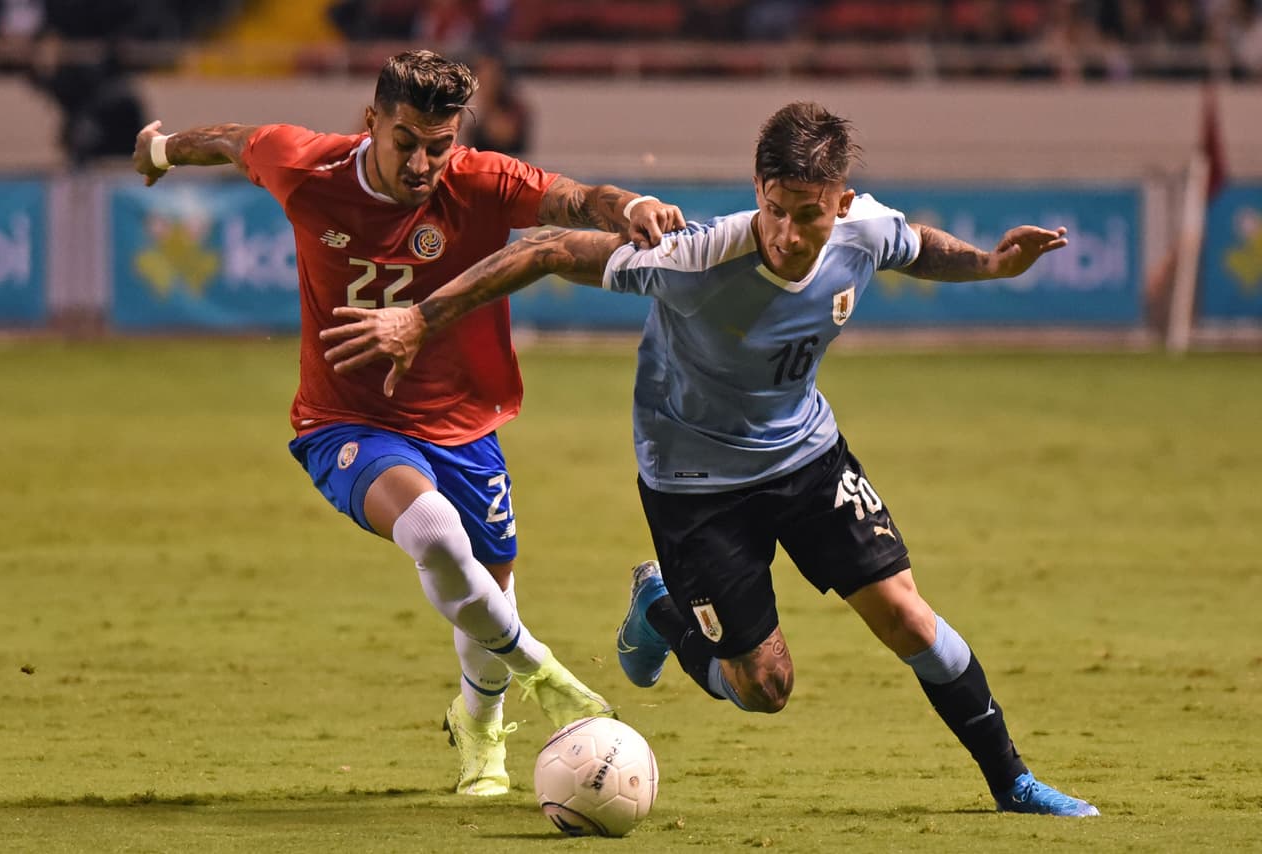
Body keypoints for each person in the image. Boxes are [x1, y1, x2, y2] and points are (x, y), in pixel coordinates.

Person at [318, 101, 1101, 817]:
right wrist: (419, 319)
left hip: (808, 455)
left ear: (841, 204)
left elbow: (918, 246)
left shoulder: (865, 231)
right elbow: (549, 250)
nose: (789, 234)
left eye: (810, 215)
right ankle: (661, 609)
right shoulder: (694, 260)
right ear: (758, 191)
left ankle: (1013, 783)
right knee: (764, 687)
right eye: (776, 209)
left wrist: (990, 264)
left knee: (906, 615)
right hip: (695, 487)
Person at [130, 49, 686, 798]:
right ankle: (543, 673)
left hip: (463, 423)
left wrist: (633, 205)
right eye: (406, 143)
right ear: (371, 122)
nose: (423, 164)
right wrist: (162, 150)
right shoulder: (307, 167)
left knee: (489, 581)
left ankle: (477, 726)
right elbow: (232, 140)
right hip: (344, 420)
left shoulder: (480, 180)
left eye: (439, 145)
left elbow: (578, 200)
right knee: (433, 532)